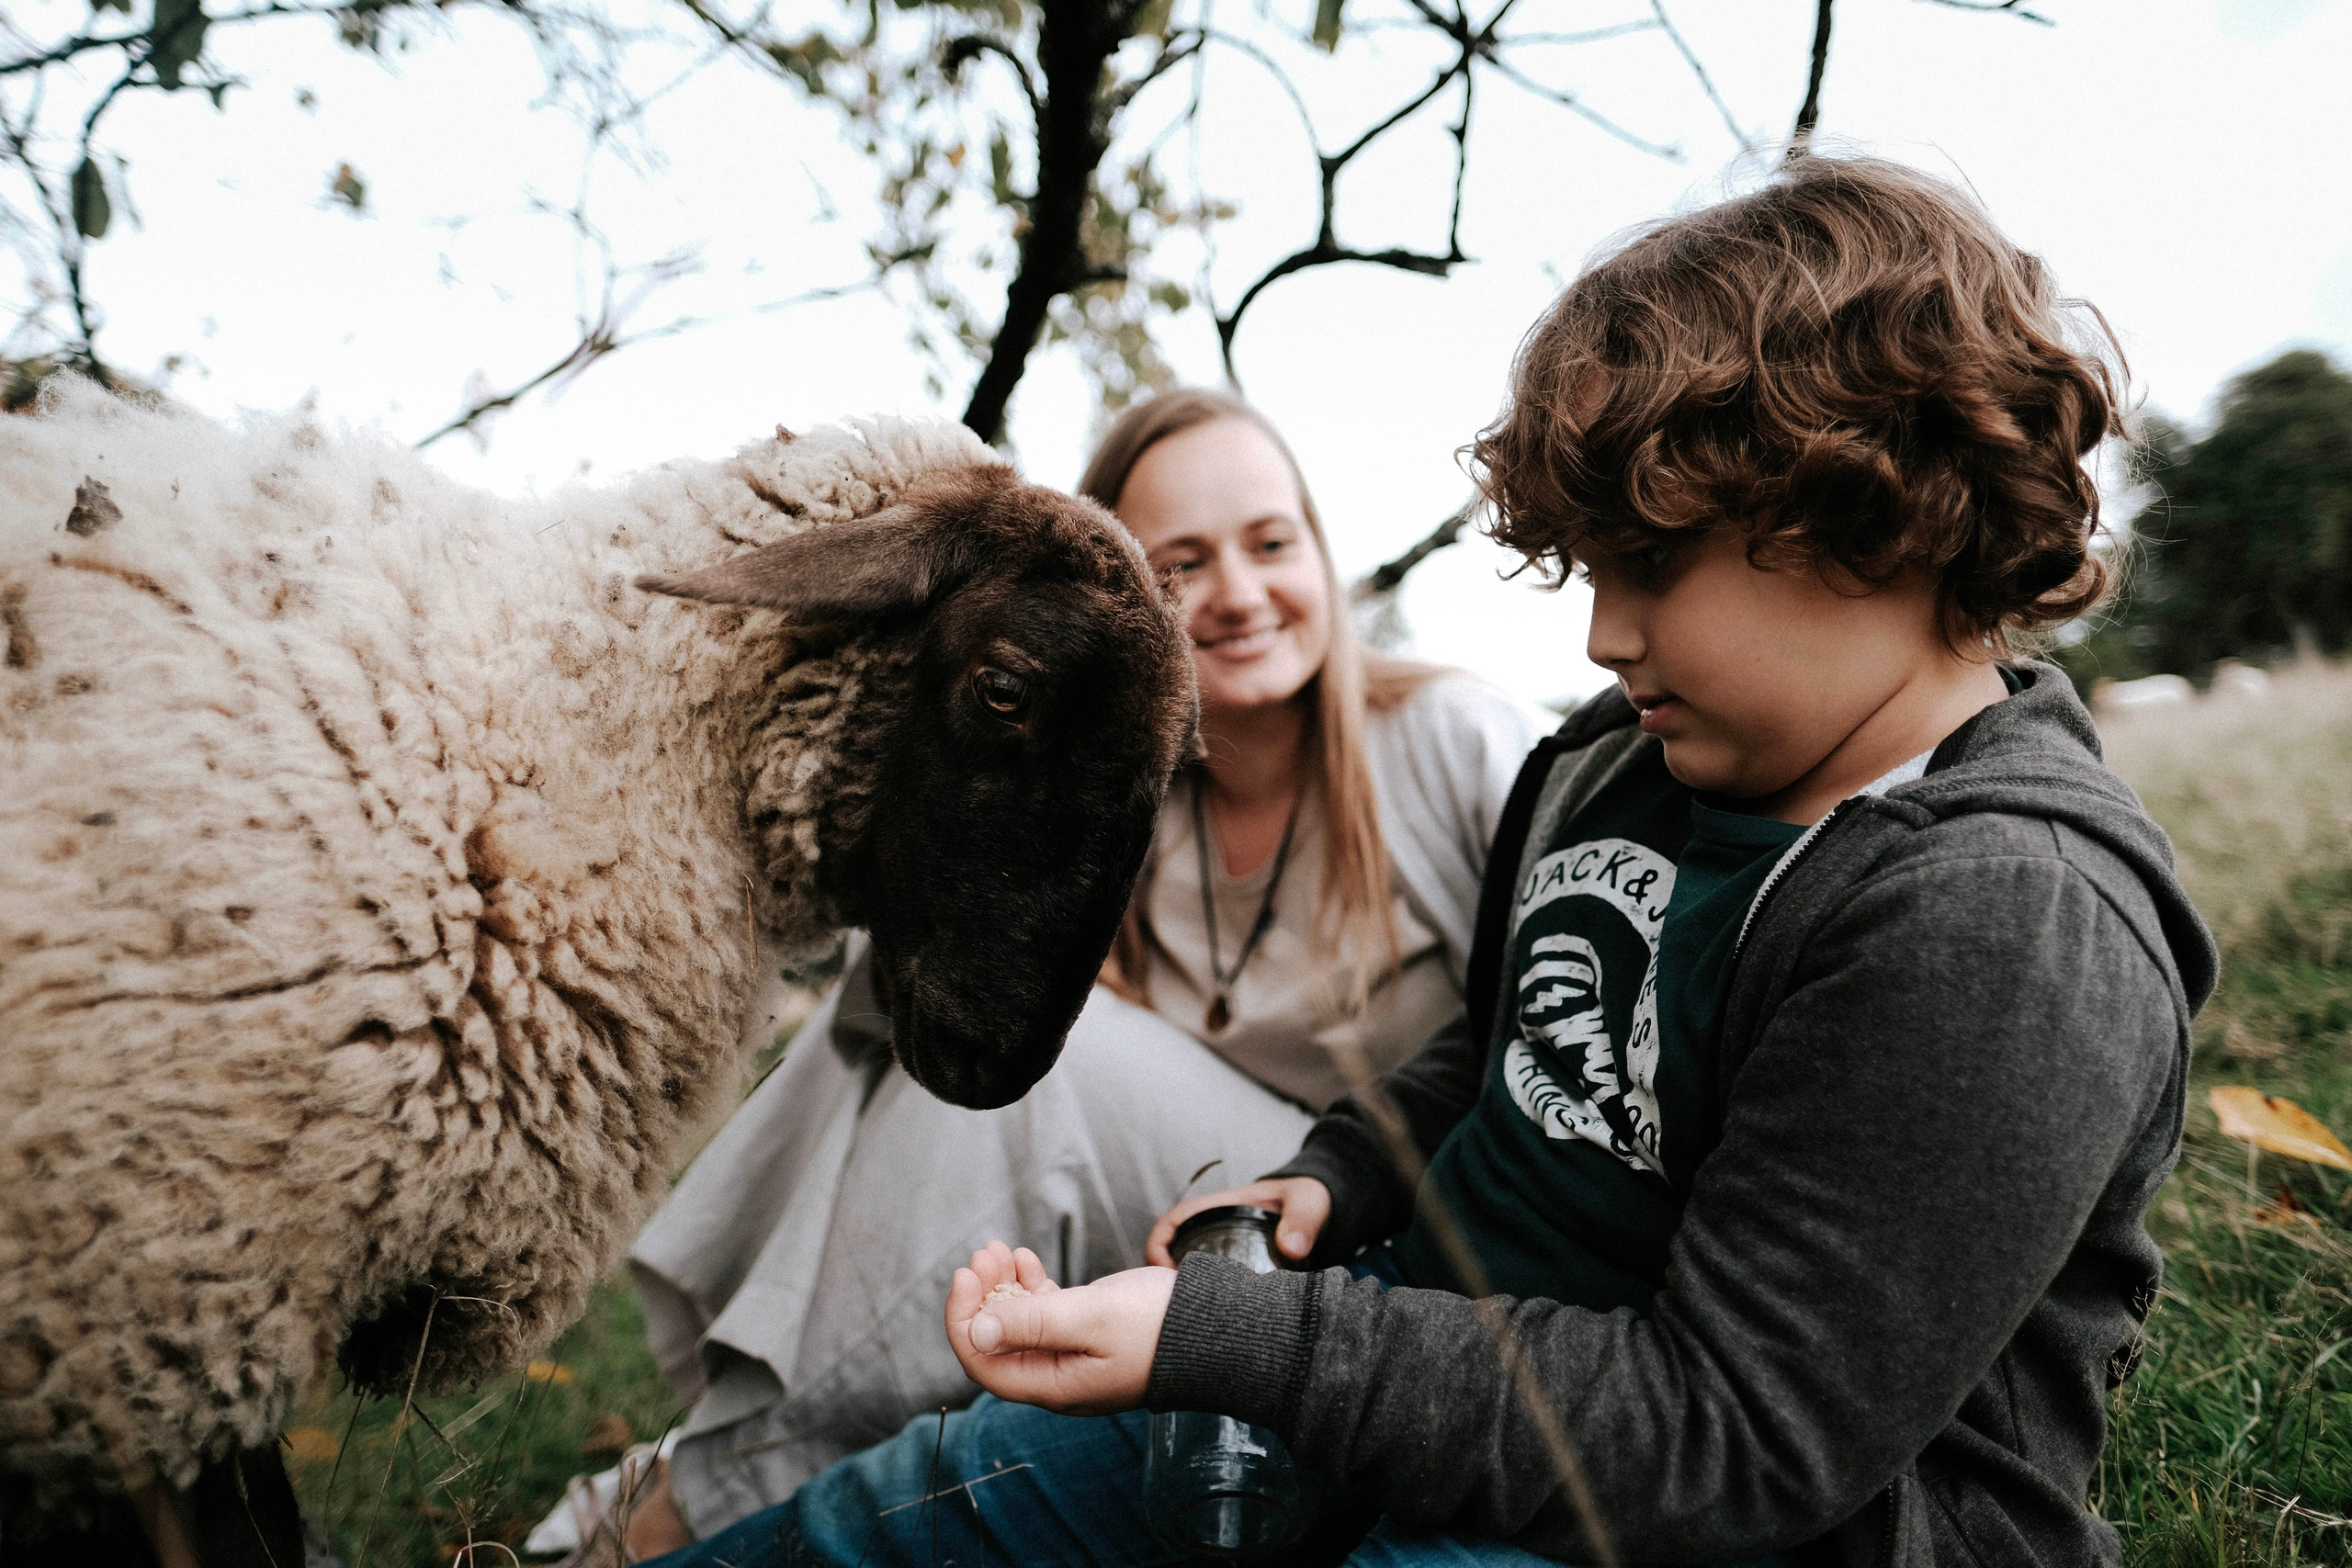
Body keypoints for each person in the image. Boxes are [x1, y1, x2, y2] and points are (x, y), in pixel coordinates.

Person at [645, 154, 2217, 1568]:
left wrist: (1257, 1344)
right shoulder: (1623, 760)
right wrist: (1343, 1172)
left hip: (1707, 1521)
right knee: (919, 1505)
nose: (1605, 635)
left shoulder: (2003, 920)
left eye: (1651, 567)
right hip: (1419, 1361)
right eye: (1593, 574)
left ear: (1889, 508)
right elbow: (1517, 1042)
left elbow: (1727, 1440)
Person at [609, 389, 1546, 1553]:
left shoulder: (1455, 740)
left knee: (1036, 1079)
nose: (1242, 596)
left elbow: (1551, 1030)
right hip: (1199, 1208)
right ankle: (720, 1432)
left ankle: (674, 1510)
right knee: (896, 1014)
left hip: (1394, 1216)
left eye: (1270, 543)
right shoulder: (1103, 785)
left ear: (1318, 550)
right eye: (1184, 564)